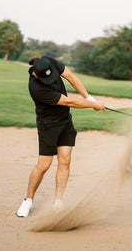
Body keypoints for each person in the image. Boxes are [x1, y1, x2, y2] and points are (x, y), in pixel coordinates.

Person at [17, 55, 106, 217]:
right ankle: (27, 200)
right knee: (44, 165)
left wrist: (88, 97)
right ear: (36, 75)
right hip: (48, 125)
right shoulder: (36, 87)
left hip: (65, 120)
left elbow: (71, 77)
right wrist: (92, 105)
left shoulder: (49, 62)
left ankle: (58, 201)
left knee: (65, 159)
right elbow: (68, 102)